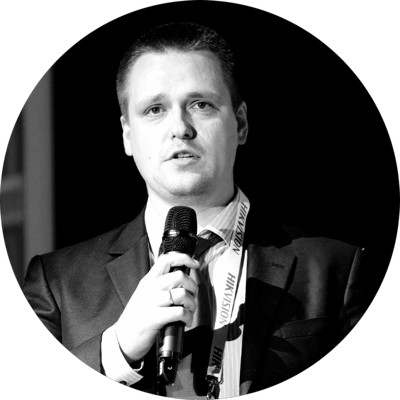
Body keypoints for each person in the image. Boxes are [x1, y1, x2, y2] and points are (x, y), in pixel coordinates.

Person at [22, 22, 374, 398]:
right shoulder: (57, 284)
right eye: (154, 109)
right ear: (127, 134)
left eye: (200, 105)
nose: (180, 128)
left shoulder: (336, 268)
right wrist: (118, 350)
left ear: (240, 123)